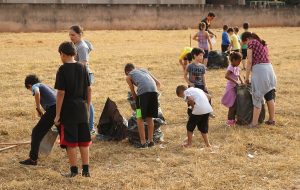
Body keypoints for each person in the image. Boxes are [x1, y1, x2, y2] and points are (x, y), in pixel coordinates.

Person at [54, 41, 92, 177]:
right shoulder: (83, 67)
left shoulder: (62, 69)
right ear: (74, 53)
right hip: (82, 107)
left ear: (63, 54)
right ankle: (86, 171)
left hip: (69, 110)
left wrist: (57, 115)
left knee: (71, 142)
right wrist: (87, 107)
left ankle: (74, 171)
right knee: (84, 140)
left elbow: (61, 93)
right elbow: (89, 89)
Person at [19, 75, 57, 166]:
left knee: (36, 132)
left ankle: (33, 159)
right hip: (61, 109)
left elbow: (36, 92)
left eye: (29, 89)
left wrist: (38, 108)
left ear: (29, 85)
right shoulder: (46, 86)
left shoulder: (36, 86)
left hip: (53, 110)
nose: (30, 91)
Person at [241, 32, 277, 127]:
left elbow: (249, 62)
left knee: (257, 96)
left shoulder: (251, 43)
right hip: (270, 70)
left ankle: (254, 123)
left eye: (244, 42)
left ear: (247, 39)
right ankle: (271, 120)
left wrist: (247, 77)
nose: (245, 44)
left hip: (260, 72)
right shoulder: (262, 43)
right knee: (269, 96)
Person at [124, 63, 161, 148]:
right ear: (134, 68)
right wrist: (155, 94)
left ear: (127, 72)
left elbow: (133, 92)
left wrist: (137, 102)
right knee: (149, 117)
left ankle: (143, 142)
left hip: (143, 95)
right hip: (153, 93)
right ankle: (151, 141)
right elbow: (158, 83)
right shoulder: (144, 70)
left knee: (139, 117)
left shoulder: (128, 76)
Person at [69, 25, 95, 135]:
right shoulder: (76, 45)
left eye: (73, 35)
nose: (71, 37)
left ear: (80, 35)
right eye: (69, 35)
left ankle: (90, 127)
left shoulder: (82, 46)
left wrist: (71, 64)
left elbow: (84, 63)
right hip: (79, 75)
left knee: (87, 101)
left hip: (85, 76)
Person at [221, 52, 244, 126]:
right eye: (238, 61)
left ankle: (233, 119)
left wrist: (242, 81)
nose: (239, 63)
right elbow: (226, 76)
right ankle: (230, 121)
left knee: (235, 104)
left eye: (240, 61)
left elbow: (239, 75)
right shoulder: (231, 67)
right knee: (232, 105)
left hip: (235, 88)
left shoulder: (236, 67)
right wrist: (235, 82)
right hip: (231, 88)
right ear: (233, 60)